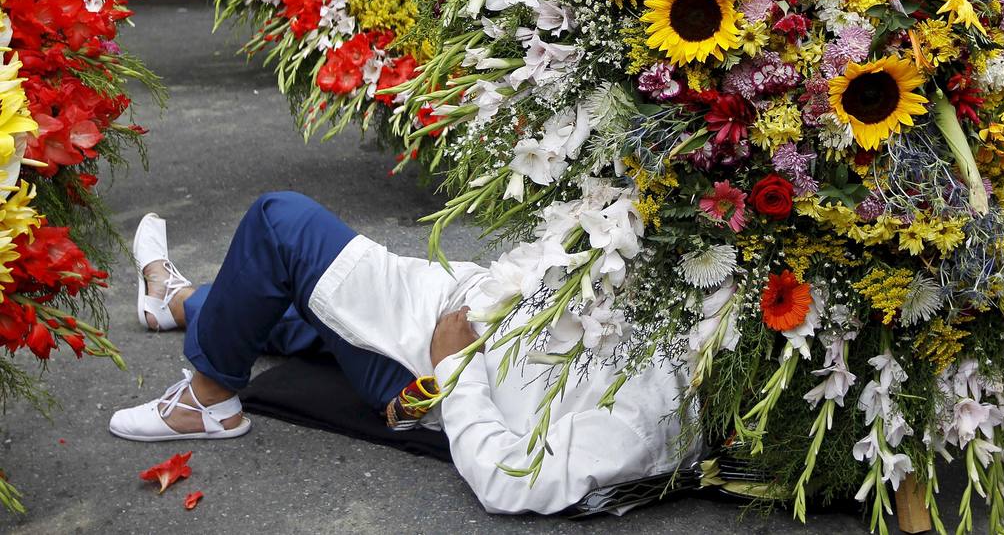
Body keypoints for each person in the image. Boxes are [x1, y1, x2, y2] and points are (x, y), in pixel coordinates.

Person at [109, 191, 697, 515]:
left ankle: (208, 401)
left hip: (426, 363)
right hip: (461, 304)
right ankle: (176, 301)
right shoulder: (702, 313)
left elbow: (509, 482)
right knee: (287, 305)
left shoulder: (658, 416)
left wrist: (453, 365)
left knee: (281, 224)